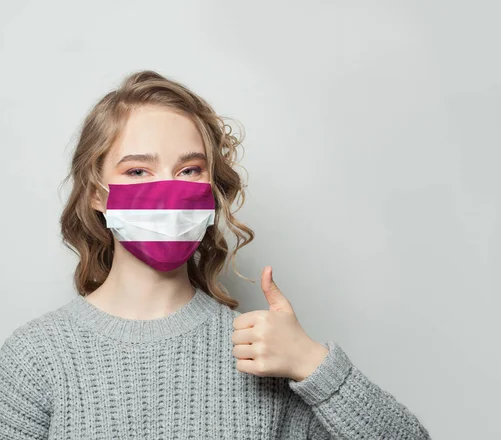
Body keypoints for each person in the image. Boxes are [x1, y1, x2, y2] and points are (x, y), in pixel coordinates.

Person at [0, 70, 431, 439]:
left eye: (190, 170)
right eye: (137, 170)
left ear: (210, 191)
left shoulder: (260, 351)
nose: (170, 190)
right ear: (97, 193)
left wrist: (311, 364)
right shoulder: (37, 356)